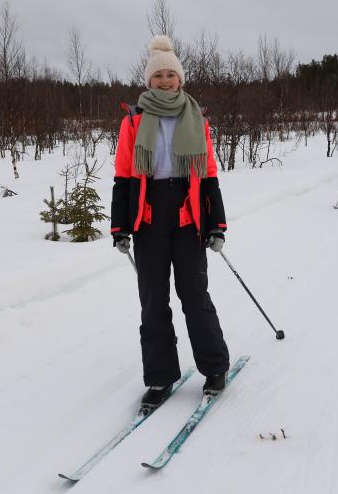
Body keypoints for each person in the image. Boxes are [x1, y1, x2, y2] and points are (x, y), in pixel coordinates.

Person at [110, 35, 230, 408]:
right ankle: (160, 377)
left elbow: (208, 175)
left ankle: (215, 367)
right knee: (153, 300)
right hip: (148, 220)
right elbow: (123, 176)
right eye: (158, 76)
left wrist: (216, 223)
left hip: (188, 216)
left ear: (180, 78)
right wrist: (120, 226)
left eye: (170, 75)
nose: (165, 81)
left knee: (194, 294)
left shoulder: (196, 119)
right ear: (149, 80)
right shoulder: (133, 121)